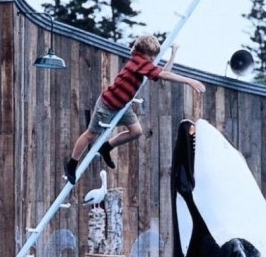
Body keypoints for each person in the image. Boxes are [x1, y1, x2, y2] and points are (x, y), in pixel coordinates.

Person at [64, 36, 206, 184]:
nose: (153, 59)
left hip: (123, 106)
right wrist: (189, 80)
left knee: (136, 131)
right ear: (142, 52)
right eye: (151, 55)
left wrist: (173, 54)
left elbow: (163, 73)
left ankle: (106, 147)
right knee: (90, 135)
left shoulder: (143, 63)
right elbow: (164, 75)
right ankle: (71, 164)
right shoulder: (137, 62)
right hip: (107, 105)